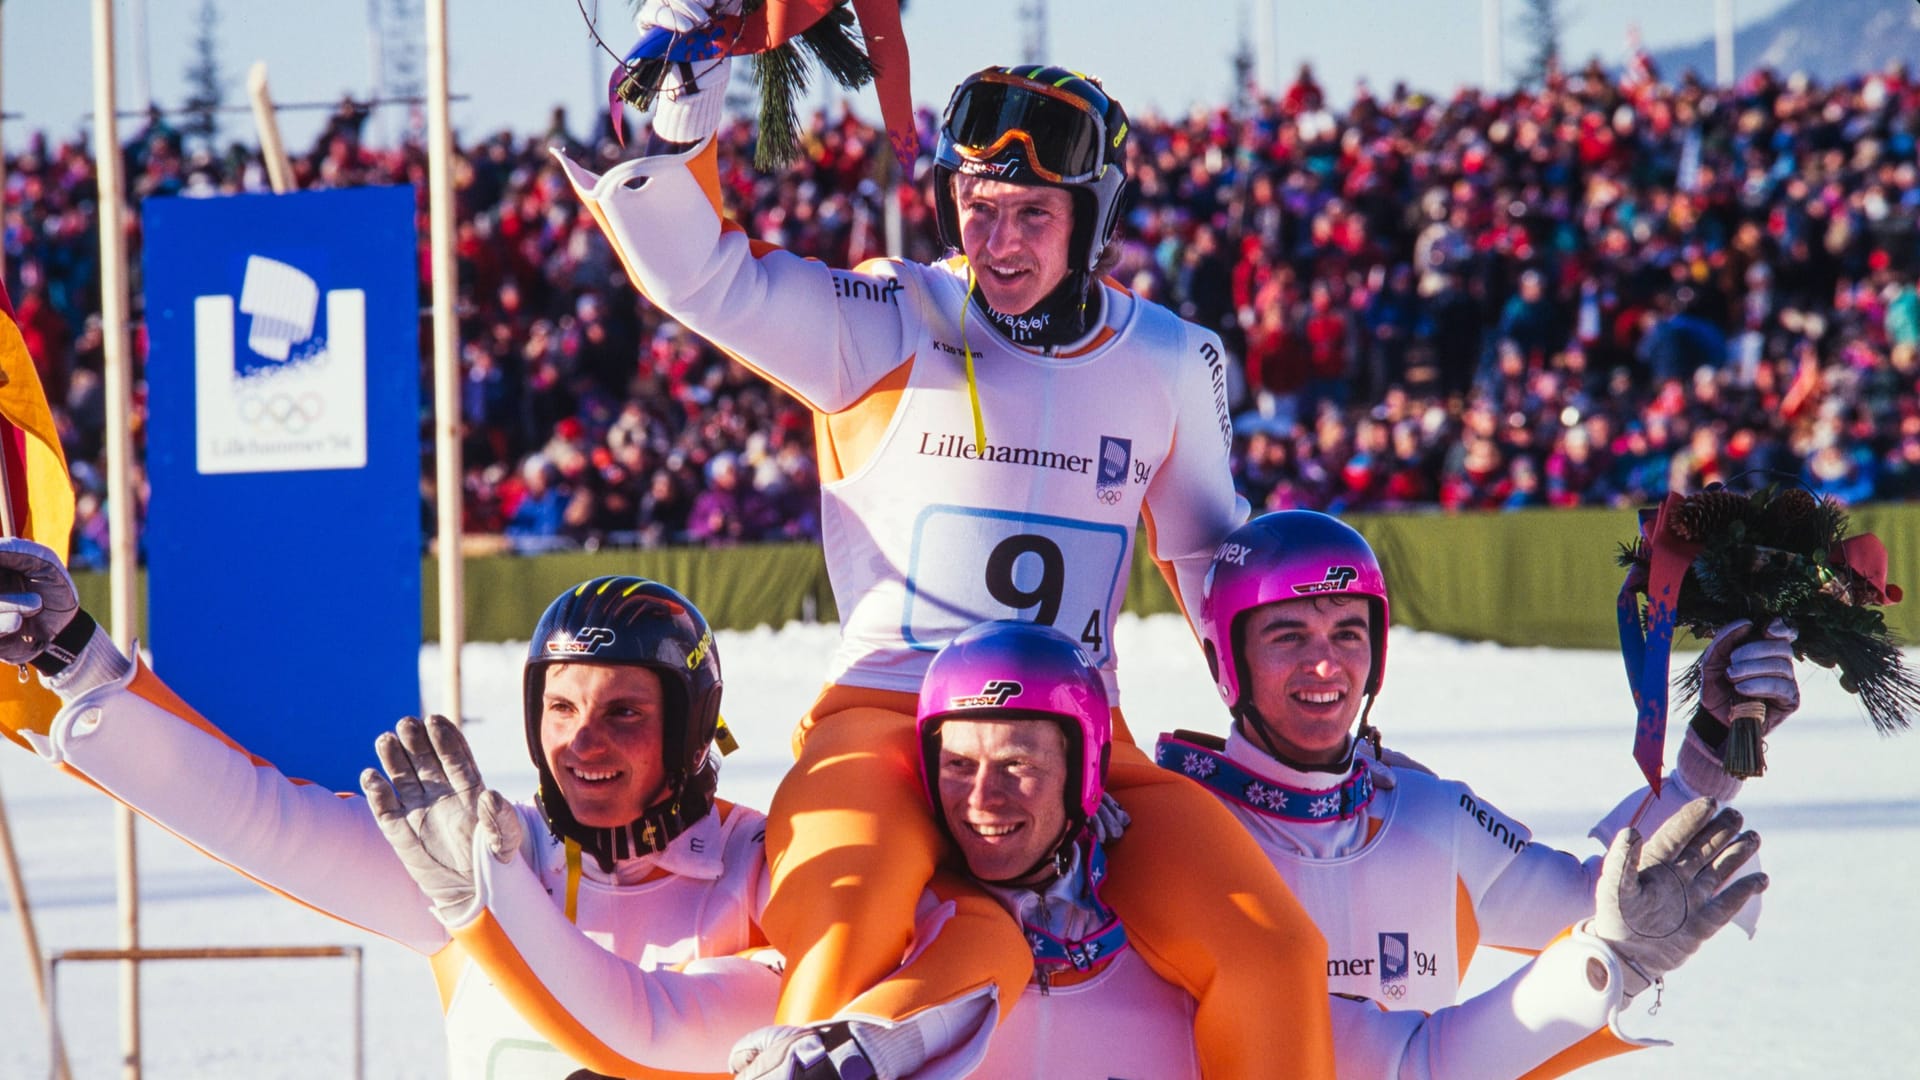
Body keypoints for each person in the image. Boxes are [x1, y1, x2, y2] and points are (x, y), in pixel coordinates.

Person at [564, 4, 1332, 1072]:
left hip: (1081, 744)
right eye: (977, 208)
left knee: (1275, 950)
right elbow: (703, 279)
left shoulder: (1172, 358)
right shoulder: (887, 317)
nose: (999, 244)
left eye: (1031, 214)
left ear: (1094, 218)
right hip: (886, 721)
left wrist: (1302, 709)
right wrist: (688, 111)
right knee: (844, 929)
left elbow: (1216, 571)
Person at [728, 621, 1766, 1078]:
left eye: (1345, 634)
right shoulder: (896, 948)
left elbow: (1422, 1060)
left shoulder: (1197, 936)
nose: (988, 798)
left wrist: (1609, 960)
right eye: (959, 767)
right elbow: (680, 1020)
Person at [0, 545, 772, 1077]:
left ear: (692, 724)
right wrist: (73, 654)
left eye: (626, 713)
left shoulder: (764, 865)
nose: (582, 741)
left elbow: (660, 1027)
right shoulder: (475, 851)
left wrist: (490, 902)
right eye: (560, 706)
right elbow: (265, 820)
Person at [1156, 510, 1791, 1069]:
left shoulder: (1431, 815)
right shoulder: (1170, 836)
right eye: (1287, 635)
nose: (1325, 665)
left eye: (1348, 633)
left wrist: (1711, 748)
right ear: (1225, 660)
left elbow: (1601, 903)